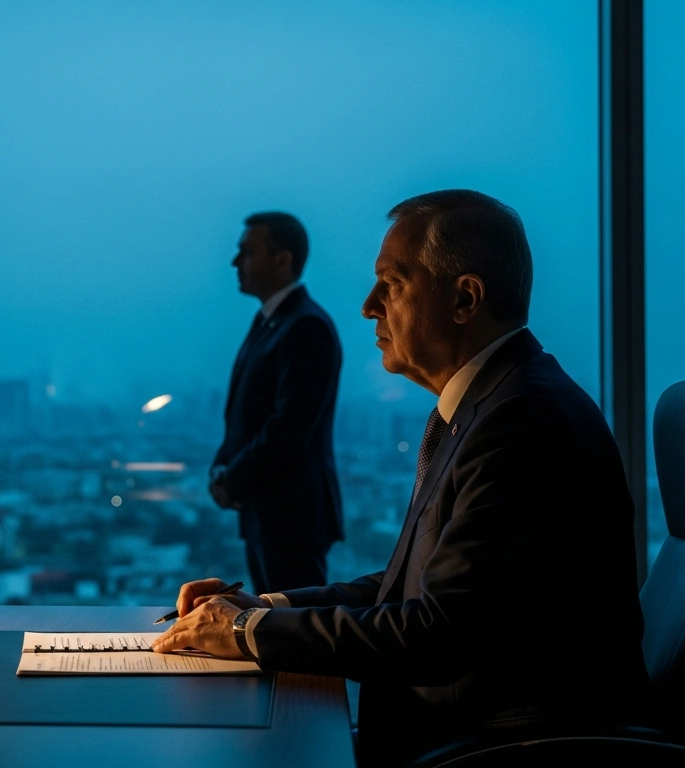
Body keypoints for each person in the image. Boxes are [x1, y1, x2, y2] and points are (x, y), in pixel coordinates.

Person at [158, 190, 648, 765]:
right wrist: (264, 605)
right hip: (458, 732)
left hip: (496, 746)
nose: (369, 305)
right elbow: (412, 586)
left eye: (392, 283)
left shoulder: (522, 421)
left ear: (465, 298)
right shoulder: (486, 406)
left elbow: (435, 634)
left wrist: (247, 633)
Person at [212, 211, 343, 592]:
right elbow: (245, 414)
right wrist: (223, 470)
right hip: (269, 510)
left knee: (293, 629)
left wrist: (232, 480)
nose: (236, 262)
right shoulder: (273, 322)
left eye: (247, 252)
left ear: (283, 261)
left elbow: (290, 427)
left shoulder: (306, 326)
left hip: (292, 515)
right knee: (277, 623)